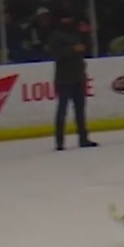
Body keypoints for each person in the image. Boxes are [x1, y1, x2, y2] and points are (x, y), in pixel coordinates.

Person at [48, 16, 98, 151]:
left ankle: (83, 138)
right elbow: (55, 53)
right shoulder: (56, 36)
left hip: (78, 77)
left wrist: (86, 34)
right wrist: (73, 49)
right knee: (62, 110)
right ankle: (59, 141)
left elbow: (86, 48)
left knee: (80, 110)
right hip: (64, 79)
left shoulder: (76, 34)